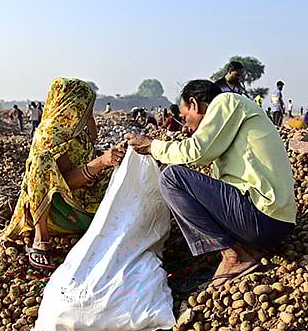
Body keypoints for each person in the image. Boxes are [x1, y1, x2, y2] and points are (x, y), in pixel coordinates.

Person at [126, 80, 296, 287]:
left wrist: (153, 146)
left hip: (263, 218)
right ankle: (246, 248)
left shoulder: (226, 101)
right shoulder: (227, 126)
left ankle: (233, 255)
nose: (185, 123)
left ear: (195, 105)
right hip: (271, 223)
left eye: (184, 115)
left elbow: (197, 152)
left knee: (172, 178)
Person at [3, 78, 126, 269]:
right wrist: (101, 162)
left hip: (86, 199)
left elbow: (92, 138)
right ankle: (40, 239)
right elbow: (64, 182)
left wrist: (89, 116)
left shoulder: (75, 130)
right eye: (83, 104)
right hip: (61, 207)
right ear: (69, 104)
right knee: (41, 163)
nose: (86, 109)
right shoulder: (50, 136)